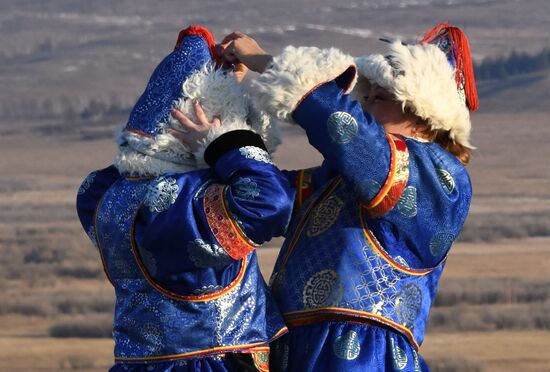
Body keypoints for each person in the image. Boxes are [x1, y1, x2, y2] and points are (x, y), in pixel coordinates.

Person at [214, 22, 478, 371]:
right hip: (297, 351)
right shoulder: (340, 180)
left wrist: (264, 61)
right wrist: (225, 116)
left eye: (380, 98)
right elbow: (264, 195)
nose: (365, 107)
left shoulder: (438, 177)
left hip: (362, 354)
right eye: (364, 97)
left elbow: (342, 126)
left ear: (422, 114)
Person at [76, 25, 293, 372]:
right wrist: (222, 141)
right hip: (214, 364)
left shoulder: (104, 194)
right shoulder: (181, 202)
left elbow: (143, 157)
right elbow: (270, 202)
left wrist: (214, 86)